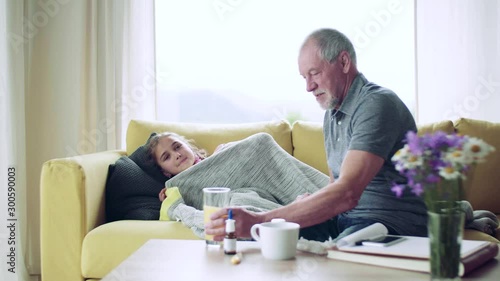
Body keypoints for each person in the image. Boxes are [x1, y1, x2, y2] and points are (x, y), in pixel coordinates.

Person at [205, 28, 428, 242]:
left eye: (314, 73)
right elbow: (335, 187)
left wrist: (260, 221)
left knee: (330, 253)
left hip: (391, 223)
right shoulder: (332, 113)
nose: (309, 87)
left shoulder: (376, 104)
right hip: (346, 219)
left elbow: (347, 193)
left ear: (343, 62)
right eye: (304, 77)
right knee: (264, 239)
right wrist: (301, 208)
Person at [147, 132, 237, 202]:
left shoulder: (216, 155)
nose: (177, 155)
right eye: (167, 157)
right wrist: (169, 200)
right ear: (165, 171)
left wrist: (220, 155)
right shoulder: (176, 190)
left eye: (177, 147)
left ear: (189, 146)